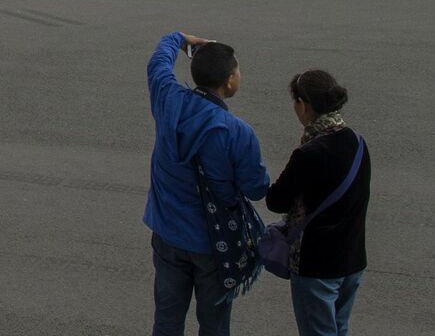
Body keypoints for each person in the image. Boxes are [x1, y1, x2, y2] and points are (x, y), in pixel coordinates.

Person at [145, 32, 269, 336]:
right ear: (228, 82)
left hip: (167, 232)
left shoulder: (168, 99)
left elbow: (159, 61)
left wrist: (179, 38)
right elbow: (257, 188)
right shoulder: (237, 132)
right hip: (213, 244)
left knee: (167, 318)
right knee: (214, 324)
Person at [267, 70, 370, 336]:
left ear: (303, 105)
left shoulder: (309, 153)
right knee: (339, 329)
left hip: (317, 264)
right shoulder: (358, 143)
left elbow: (276, 200)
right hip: (352, 260)